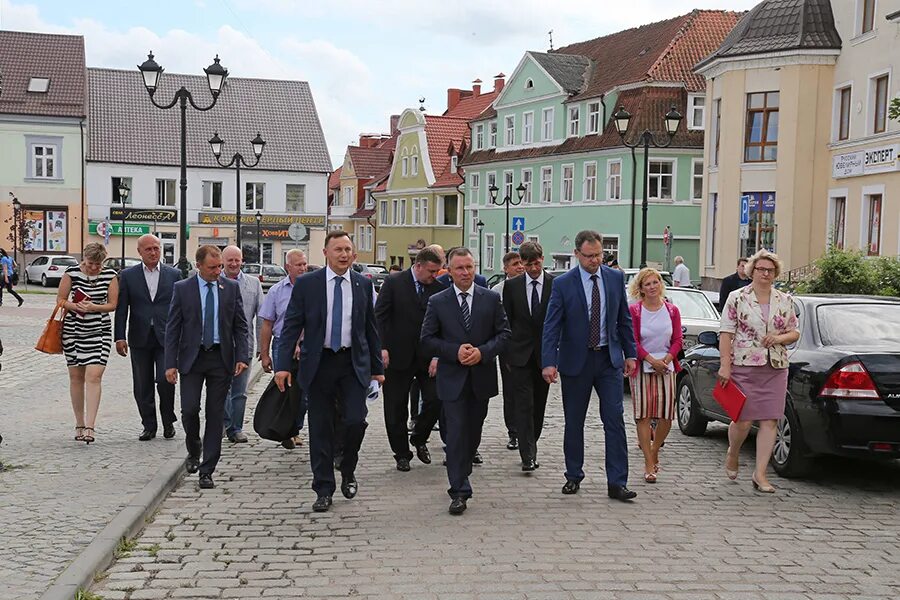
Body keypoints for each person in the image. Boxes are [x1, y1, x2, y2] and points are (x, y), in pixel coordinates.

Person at [274, 231, 384, 513]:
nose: (344, 254)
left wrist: (377, 368)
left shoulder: (362, 284)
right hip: (319, 364)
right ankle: (323, 487)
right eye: (338, 249)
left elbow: (370, 329)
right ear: (325, 253)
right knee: (320, 427)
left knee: (356, 420)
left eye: (348, 249)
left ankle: (347, 468)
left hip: (352, 363)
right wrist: (283, 365)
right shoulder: (308, 285)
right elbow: (290, 328)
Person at [541, 230, 638, 501]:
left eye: (599, 255)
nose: (595, 260)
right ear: (577, 254)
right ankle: (573, 475)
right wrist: (548, 361)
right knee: (574, 421)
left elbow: (624, 319)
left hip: (608, 360)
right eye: (589, 256)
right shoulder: (563, 284)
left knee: (614, 421)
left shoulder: (615, 278)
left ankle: (617, 482)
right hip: (576, 361)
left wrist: (630, 353)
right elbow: (551, 326)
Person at [421, 247, 510, 515]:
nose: (465, 272)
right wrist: (454, 351)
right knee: (457, 434)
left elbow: (504, 335)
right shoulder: (439, 301)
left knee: (473, 433)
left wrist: (483, 352)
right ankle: (459, 490)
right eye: (459, 268)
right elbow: (426, 339)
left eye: (469, 267)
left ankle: (464, 468)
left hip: (480, 378)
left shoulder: (490, 298)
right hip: (452, 379)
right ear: (449, 270)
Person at [164, 245, 249, 489]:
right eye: (212, 267)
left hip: (220, 359)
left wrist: (242, 355)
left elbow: (240, 326)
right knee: (190, 409)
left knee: (215, 414)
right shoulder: (183, 289)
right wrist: (170, 363)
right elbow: (173, 328)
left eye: (220, 266)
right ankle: (194, 449)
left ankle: (207, 469)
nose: (217, 271)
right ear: (198, 265)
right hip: (192, 358)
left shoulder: (230, 288)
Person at [718, 249, 799, 494]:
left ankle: (760, 473)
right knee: (742, 420)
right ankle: (733, 452)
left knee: (770, 420)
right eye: (761, 269)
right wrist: (725, 364)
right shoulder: (737, 297)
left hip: (775, 367)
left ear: (775, 274)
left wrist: (779, 337)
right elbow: (726, 332)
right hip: (744, 364)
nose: (765, 273)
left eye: (770, 270)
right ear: (751, 271)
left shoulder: (785, 300)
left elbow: (794, 332)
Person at [374, 247, 447, 471]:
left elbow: (444, 325)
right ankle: (401, 453)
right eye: (431, 271)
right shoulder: (394, 284)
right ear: (418, 266)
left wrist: (438, 355)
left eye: (438, 271)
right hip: (396, 356)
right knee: (395, 407)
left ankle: (419, 435)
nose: (435, 275)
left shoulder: (439, 288)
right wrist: (382, 347)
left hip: (427, 357)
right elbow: (380, 317)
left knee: (436, 399)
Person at [114, 234, 181, 441]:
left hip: (166, 337)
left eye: (156, 248)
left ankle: (168, 421)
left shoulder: (174, 274)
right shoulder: (128, 275)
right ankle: (149, 425)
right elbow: (122, 307)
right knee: (142, 384)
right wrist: (119, 336)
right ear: (140, 252)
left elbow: (181, 307)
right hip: (139, 337)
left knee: (165, 380)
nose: (153, 252)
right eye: (148, 249)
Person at [58, 243, 120, 444]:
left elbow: (112, 304)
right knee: (76, 377)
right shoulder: (71, 273)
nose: (94, 268)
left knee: (94, 376)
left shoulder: (109, 275)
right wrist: (74, 305)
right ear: (84, 258)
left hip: (99, 331)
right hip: (74, 331)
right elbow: (60, 299)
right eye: (91, 263)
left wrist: (94, 306)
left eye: (98, 264)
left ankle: (91, 426)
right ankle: (79, 423)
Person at [501, 241, 554, 471]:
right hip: (519, 355)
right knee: (523, 405)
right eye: (528, 264)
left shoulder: (554, 284)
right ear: (521, 263)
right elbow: (506, 323)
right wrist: (507, 356)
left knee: (539, 404)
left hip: (544, 356)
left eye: (537, 263)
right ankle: (527, 454)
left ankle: (533, 440)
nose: (533, 268)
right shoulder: (512, 287)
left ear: (543, 259)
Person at [627, 268, 682, 483]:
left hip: (666, 367)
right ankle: (649, 461)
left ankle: (655, 449)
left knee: (666, 416)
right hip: (642, 367)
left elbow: (678, 339)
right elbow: (633, 341)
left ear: (661, 284)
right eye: (647, 284)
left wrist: (666, 361)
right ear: (640, 288)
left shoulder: (671, 310)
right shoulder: (635, 311)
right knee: (644, 415)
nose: (652, 287)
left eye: (655, 282)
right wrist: (651, 360)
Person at [259, 249, 309, 448]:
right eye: (299, 265)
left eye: (304, 264)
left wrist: (300, 343)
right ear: (288, 267)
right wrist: (264, 354)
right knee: (284, 390)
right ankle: (285, 429)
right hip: (282, 344)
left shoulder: (312, 289)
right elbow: (267, 324)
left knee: (303, 393)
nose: (303, 268)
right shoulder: (276, 291)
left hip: (307, 345)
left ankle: (295, 429)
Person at [220, 246, 264, 443]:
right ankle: (223, 424)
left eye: (237, 260)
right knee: (221, 389)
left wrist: (263, 347)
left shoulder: (253, 284)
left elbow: (261, 317)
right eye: (230, 260)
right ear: (223, 260)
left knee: (239, 391)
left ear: (242, 260)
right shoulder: (214, 282)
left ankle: (235, 428)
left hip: (243, 345)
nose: (234, 264)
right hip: (219, 346)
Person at [492, 251, 525, 452]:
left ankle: (527, 432)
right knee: (511, 392)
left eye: (522, 263)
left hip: (528, 347)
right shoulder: (498, 290)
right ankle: (513, 432)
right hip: (508, 348)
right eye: (515, 264)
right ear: (506, 268)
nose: (520, 267)